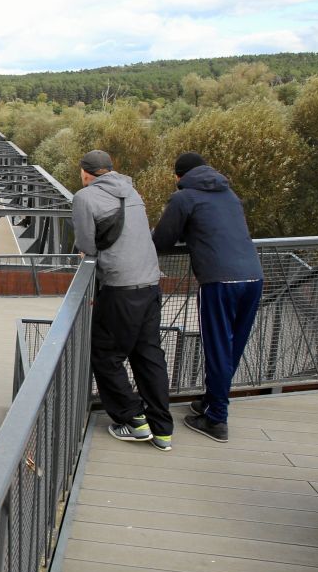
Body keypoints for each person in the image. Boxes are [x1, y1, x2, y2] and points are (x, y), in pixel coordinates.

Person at [153, 152, 263, 443]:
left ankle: (216, 420)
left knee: (217, 349)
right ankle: (210, 401)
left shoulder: (184, 198)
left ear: (179, 176)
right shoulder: (230, 194)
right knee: (233, 347)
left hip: (219, 280)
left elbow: (161, 241)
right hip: (254, 276)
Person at [73, 149, 173, 451]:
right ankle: (163, 430)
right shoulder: (132, 190)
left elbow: (87, 245)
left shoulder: (84, 197)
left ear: (85, 173)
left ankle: (133, 420)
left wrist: (88, 254)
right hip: (150, 284)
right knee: (148, 356)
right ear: (110, 169)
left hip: (120, 286)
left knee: (105, 354)